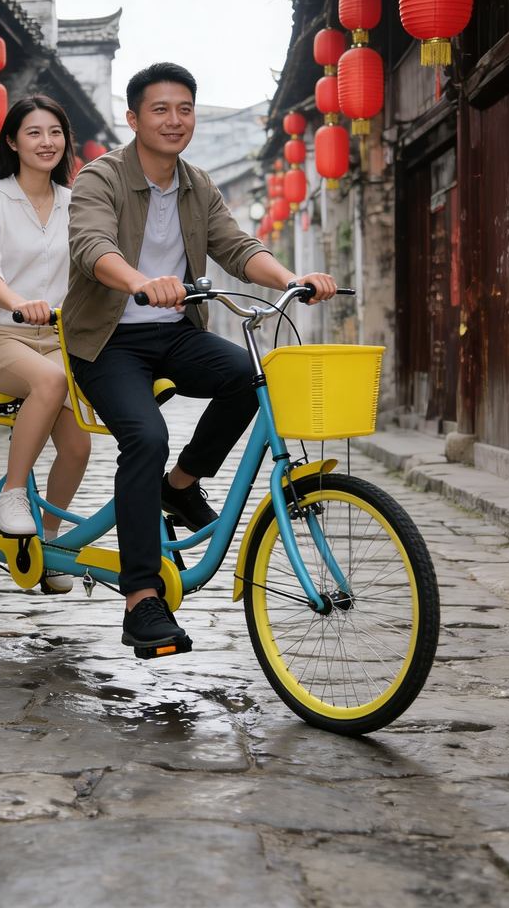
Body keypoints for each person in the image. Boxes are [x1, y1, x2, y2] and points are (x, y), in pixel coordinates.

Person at [62, 62, 337, 651]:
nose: (174, 120)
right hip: (107, 340)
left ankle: (181, 486)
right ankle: (141, 597)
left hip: (175, 330)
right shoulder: (101, 177)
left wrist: (292, 278)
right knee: (146, 437)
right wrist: (140, 281)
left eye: (184, 109)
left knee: (247, 375)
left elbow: (236, 247)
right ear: (133, 118)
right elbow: (91, 245)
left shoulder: (197, 184)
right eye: (160, 109)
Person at [0, 95, 91, 594]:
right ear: (13, 142)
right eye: (34, 132)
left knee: (78, 445)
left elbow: (95, 266)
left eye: (55, 132)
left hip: (56, 337)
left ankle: (52, 541)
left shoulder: (75, 203)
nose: (46, 142)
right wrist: (17, 303)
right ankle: (12, 494)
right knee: (51, 380)